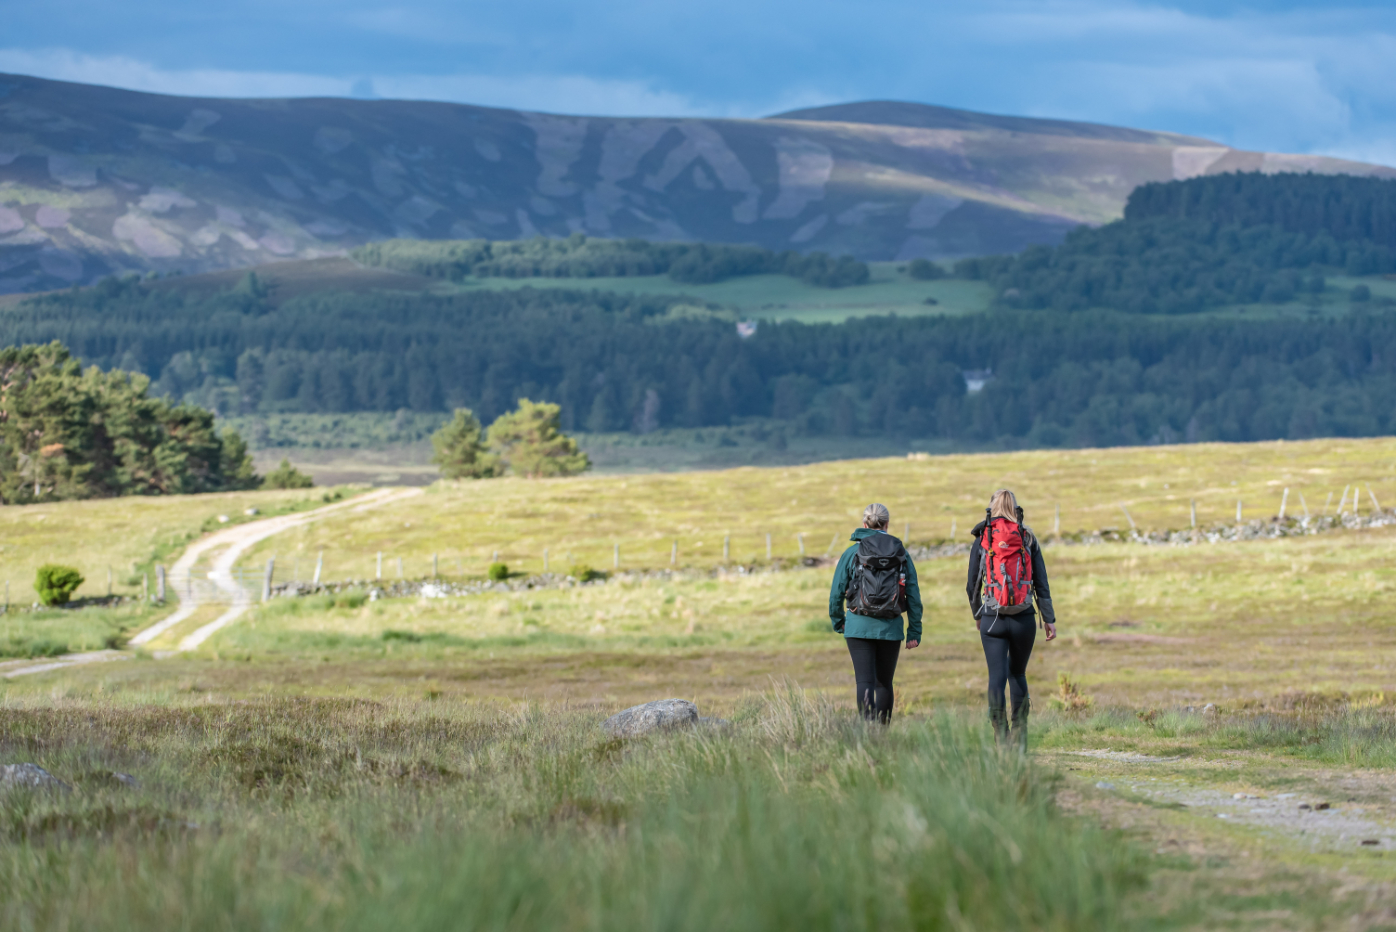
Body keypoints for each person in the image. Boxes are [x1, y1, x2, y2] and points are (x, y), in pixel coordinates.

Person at [966, 489, 1055, 750]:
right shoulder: (1027, 537)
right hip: (1024, 618)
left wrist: (977, 614)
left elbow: (972, 583)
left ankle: (1000, 736)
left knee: (996, 676)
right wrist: (1048, 618)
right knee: (1018, 673)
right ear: (1015, 508)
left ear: (991, 508)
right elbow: (1041, 582)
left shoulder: (984, 537)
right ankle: (1020, 735)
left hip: (992, 617)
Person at [829, 503, 923, 722]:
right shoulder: (901, 553)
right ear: (887, 524)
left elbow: (836, 594)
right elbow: (913, 595)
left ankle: (867, 733)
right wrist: (914, 632)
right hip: (890, 628)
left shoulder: (852, 552)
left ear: (864, 524)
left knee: (864, 682)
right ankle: (881, 733)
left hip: (857, 626)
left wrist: (839, 622)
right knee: (884, 683)